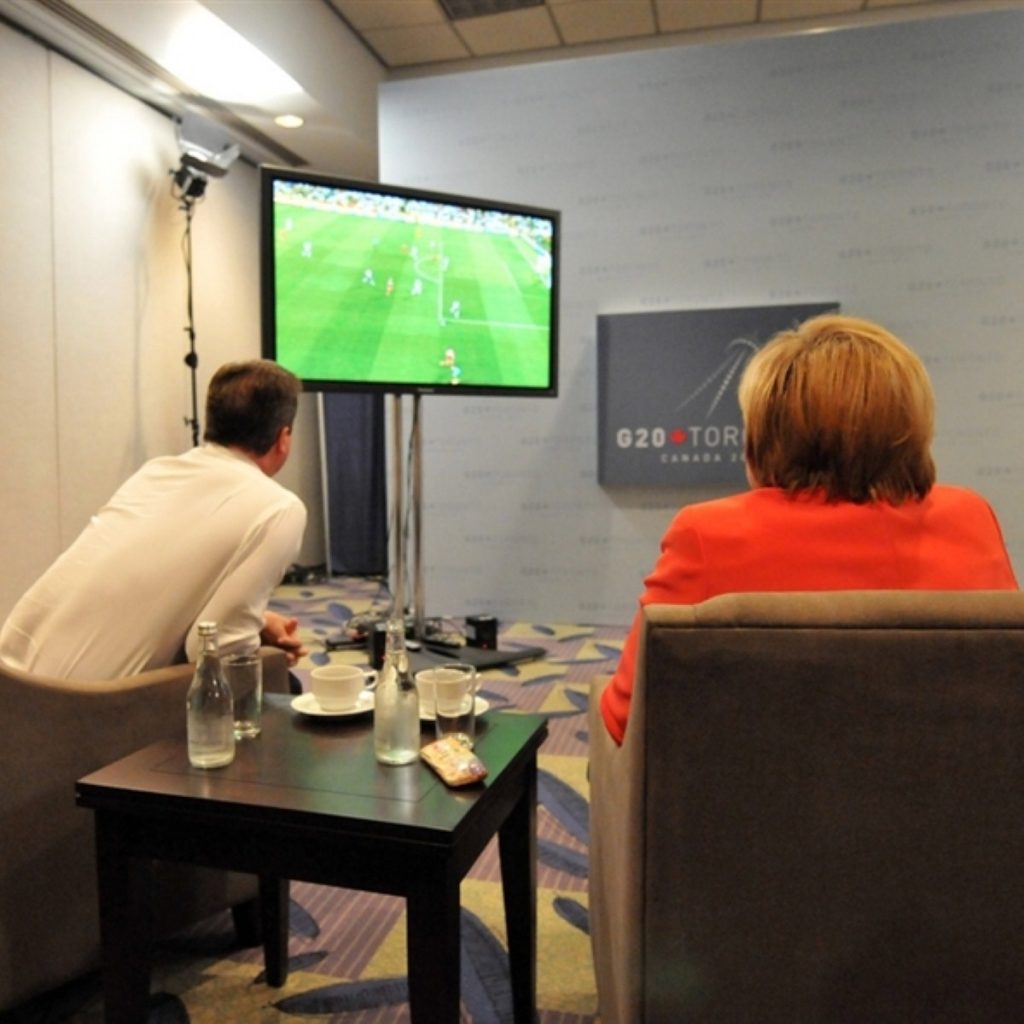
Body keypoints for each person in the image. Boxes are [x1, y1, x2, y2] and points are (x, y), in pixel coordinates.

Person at [601, 314, 1018, 745]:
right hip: (954, 799)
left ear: (762, 437)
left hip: (757, 803)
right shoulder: (970, 516)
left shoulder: (708, 533)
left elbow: (622, 717)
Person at [0, 359, 309, 680]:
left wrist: (259, 620)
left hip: (12, 690)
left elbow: (156, 590)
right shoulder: (279, 508)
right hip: (80, 712)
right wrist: (269, 655)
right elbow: (220, 647)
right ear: (283, 437)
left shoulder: (156, 472)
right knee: (281, 684)